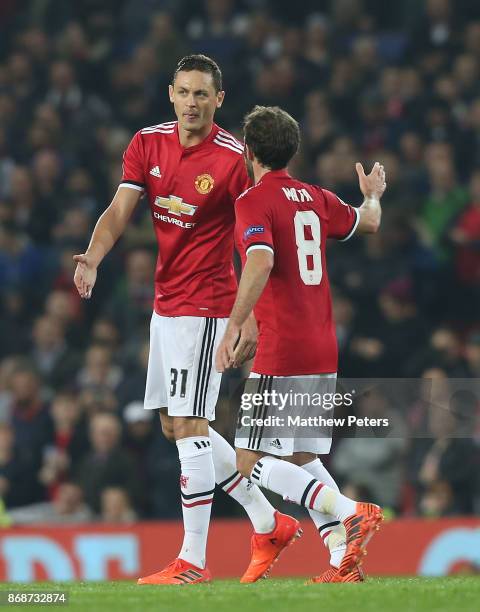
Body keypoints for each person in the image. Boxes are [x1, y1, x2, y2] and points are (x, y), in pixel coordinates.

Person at [73, 55, 296, 586]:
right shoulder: (146, 143)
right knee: (175, 425)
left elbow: (258, 238)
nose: (191, 103)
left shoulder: (235, 159)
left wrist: (252, 318)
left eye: (202, 94)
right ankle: (270, 521)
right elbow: (119, 211)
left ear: (219, 100)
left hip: (209, 306)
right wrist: (93, 256)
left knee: (192, 428)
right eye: (183, 92)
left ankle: (192, 561)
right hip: (166, 305)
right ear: (170, 94)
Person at [215, 105, 386, 583]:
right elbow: (367, 223)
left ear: (248, 152)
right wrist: (372, 196)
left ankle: (351, 511)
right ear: (293, 151)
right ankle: (341, 559)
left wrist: (235, 322)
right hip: (322, 344)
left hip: (283, 347)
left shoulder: (252, 200)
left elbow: (261, 260)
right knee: (300, 457)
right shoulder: (313, 196)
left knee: (248, 461)